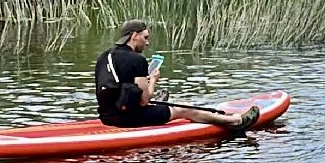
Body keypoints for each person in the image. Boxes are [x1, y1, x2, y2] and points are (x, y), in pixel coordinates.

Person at [95, 20, 256, 131]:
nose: (147, 42)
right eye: (145, 37)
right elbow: (144, 100)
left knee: (167, 106)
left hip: (107, 117)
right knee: (185, 109)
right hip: (128, 119)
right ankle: (236, 121)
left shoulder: (104, 56)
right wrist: (153, 81)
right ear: (134, 36)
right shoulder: (137, 60)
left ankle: (161, 109)